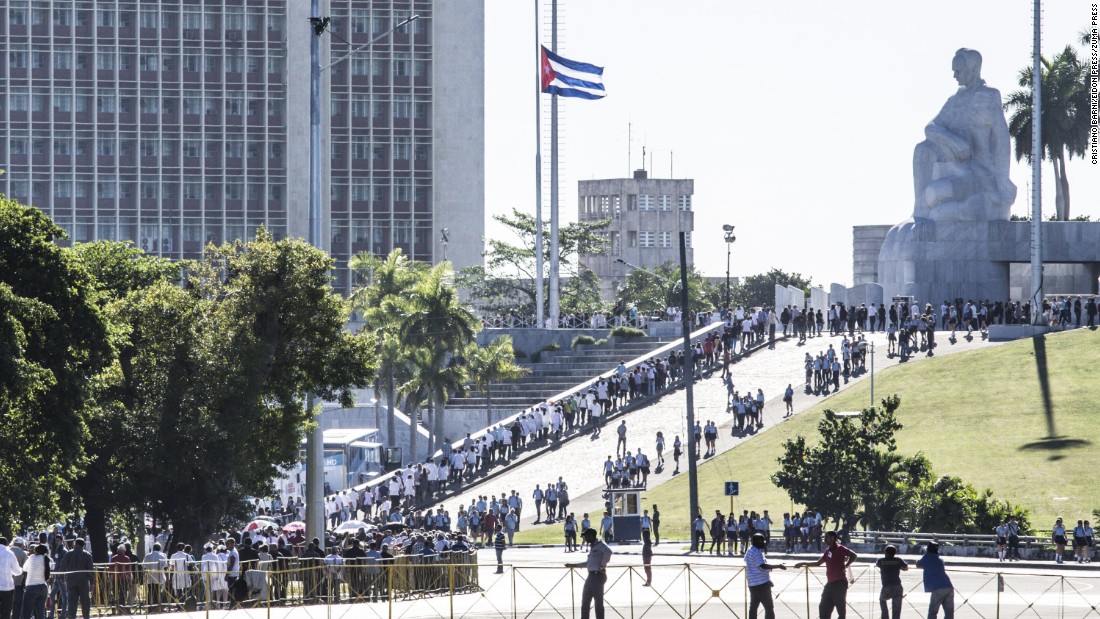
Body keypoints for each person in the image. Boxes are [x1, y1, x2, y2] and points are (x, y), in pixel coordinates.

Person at [793, 530, 856, 619]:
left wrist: (846, 565)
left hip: (840, 583)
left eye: (826, 537)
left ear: (833, 538)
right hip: (830, 584)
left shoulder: (840, 548)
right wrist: (803, 563)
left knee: (841, 610)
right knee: (823, 608)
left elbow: (854, 555)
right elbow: (818, 563)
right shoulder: (827, 551)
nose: (824, 539)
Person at [566, 529, 612, 619]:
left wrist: (603, 564)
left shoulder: (600, 545)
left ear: (591, 535)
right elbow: (588, 563)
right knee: (585, 603)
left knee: (598, 603)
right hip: (591, 576)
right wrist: (573, 565)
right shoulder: (593, 546)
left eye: (586, 536)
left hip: (597, 575)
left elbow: (609, 552)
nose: (585, 538)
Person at [745, 532, 786, 619]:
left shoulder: (750, 550)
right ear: (756, 542)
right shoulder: (756, 552)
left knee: (753, 608)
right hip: (761, 585)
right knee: (769, 608)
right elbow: (762, 566)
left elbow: (757, 567)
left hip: (753, 584)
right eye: (762, 541)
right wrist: (778, 566)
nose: (764, 543)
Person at [917, 542, 953, 619]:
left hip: (937, 588)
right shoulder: (940, 559)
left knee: (933, 612)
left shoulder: (926, 557)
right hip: (948, 586)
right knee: (949, 612)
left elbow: (918, 564)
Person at [875, 545, 908, 619]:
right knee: (897, 609)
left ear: (885, 552)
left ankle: (885, 617)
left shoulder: (881, 560)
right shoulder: (898, 560)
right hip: (897, 586)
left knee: (882, 600)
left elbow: (877, 564)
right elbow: (905, 567)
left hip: (886, 586)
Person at [21, 545, 50, 619]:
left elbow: (24, 568)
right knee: (40, 613)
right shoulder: (46, 559)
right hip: (43, 587)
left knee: (26, 612)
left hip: (31, 587)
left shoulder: (31, 558)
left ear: (36, 551)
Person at [0, 538, 22, 619]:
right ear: (7, 544)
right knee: (6, 613)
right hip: (7, 587)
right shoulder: (10, 553)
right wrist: (21, 570)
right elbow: (17, 571)